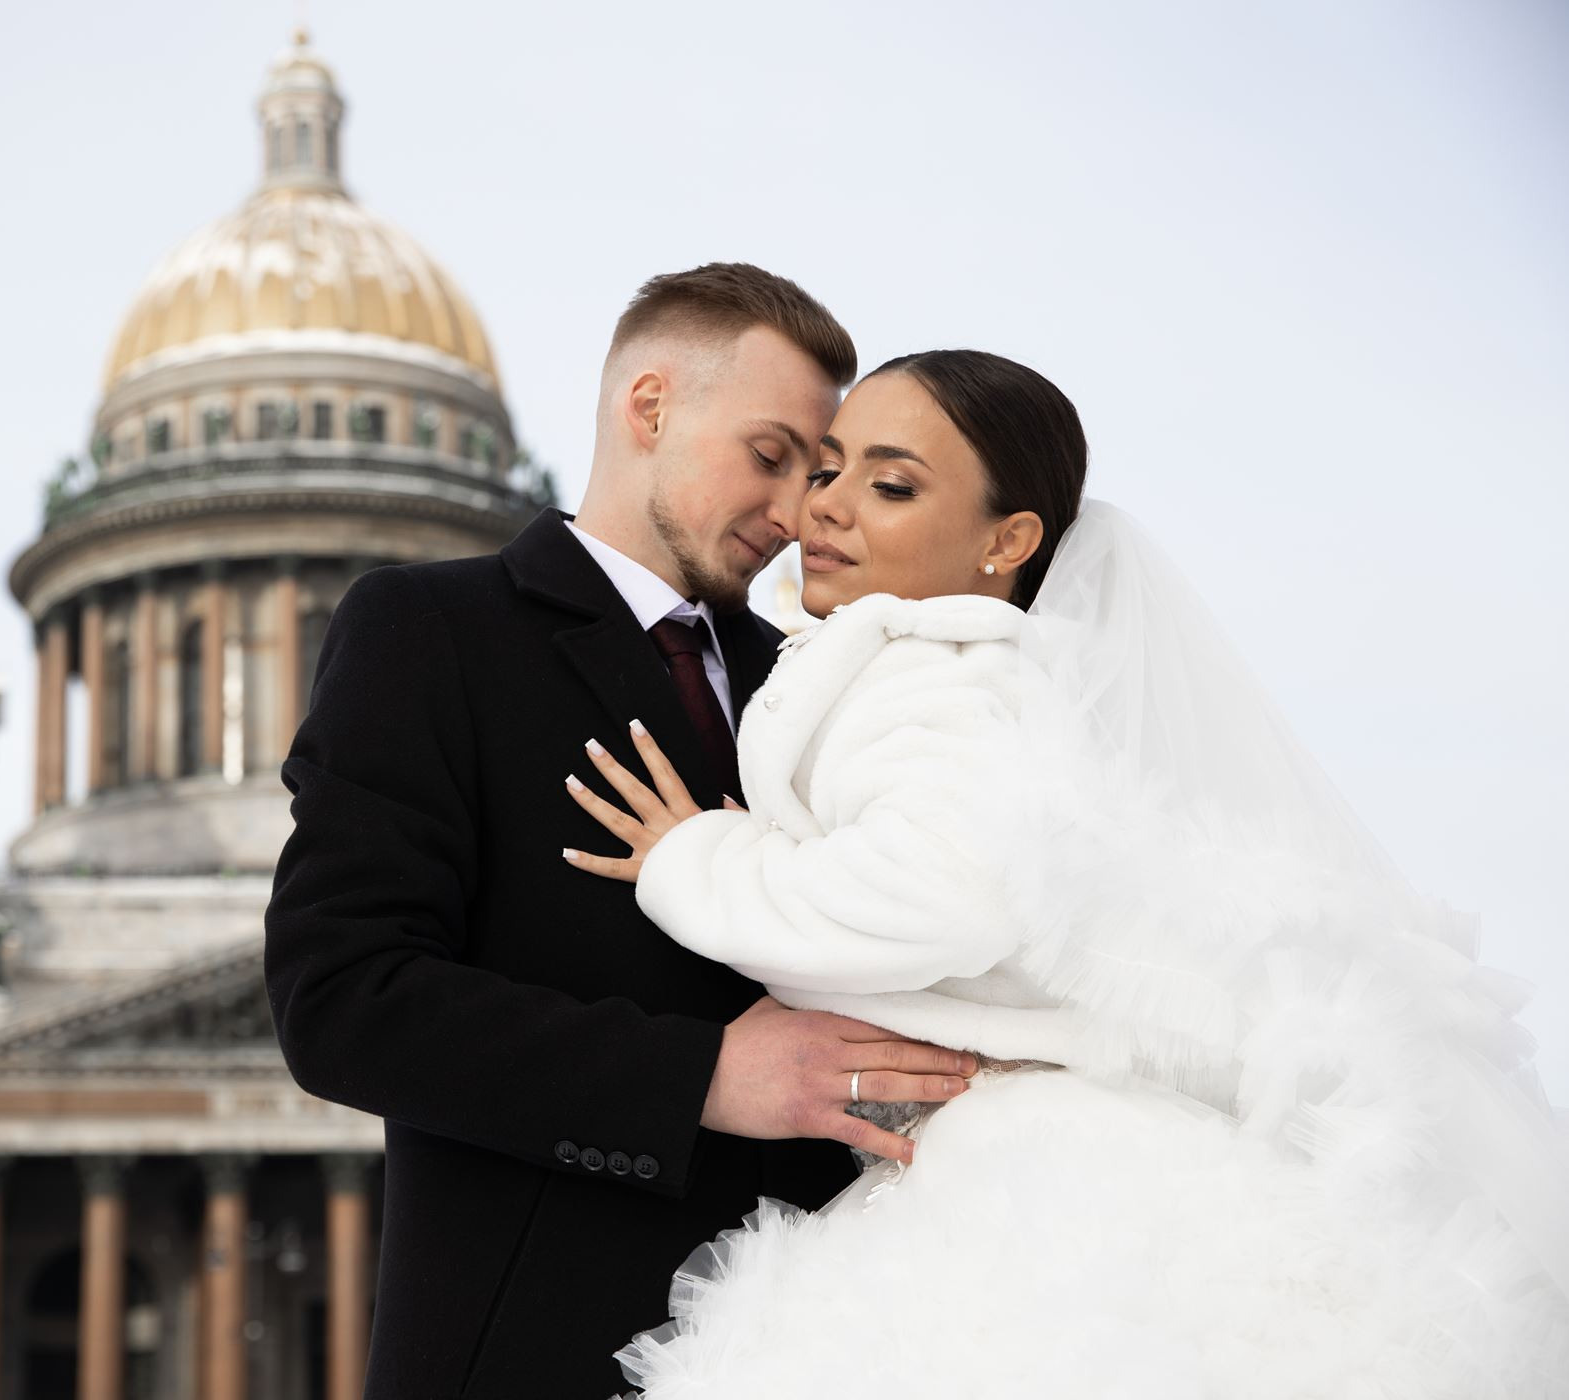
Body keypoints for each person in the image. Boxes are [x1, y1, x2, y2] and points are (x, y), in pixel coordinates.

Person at [569, 349, 1569, 1397]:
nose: (829, 506)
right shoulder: (975, 677)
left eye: (893, 484)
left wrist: (700, 860)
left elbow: (944, 892)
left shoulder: (922, 670)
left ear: (1009, 540)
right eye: (826, 469)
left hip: (1019, 1187)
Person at [264, 265, 982, 1397]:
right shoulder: (429, 632)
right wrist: (704, 1074)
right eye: (771, 455)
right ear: (649, 407)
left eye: (822, 470)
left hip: (820, 1339)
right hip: (540, 1352)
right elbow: (342, 1000)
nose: (798, 512)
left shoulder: (813, 677)